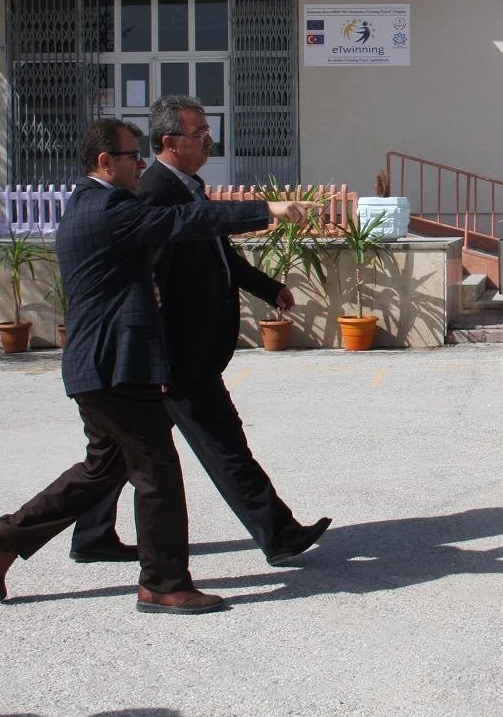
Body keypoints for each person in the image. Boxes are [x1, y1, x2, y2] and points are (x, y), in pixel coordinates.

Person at [0, 118, 312, 614]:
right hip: (114, 367)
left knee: (102, 469)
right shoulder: (109, 208)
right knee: (157, 473)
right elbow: (184, 222)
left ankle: (5, 535)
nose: (141, 163)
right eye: (133, 156)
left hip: (102, 366)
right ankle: (162, 583)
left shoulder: (91, 205)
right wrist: (268, 210)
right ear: (104, 161)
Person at [69, 95, 331, 568]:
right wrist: (159, 356)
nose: (210, 140)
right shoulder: (153, 191)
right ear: (171, 142)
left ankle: (92, 534)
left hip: (181, 353)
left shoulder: (187, 186)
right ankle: (278, 534)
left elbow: (217, 251)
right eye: (200, 133)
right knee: (222, 442)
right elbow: (153, 275)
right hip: (178, 353)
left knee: (113, 454)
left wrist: (268, 287)